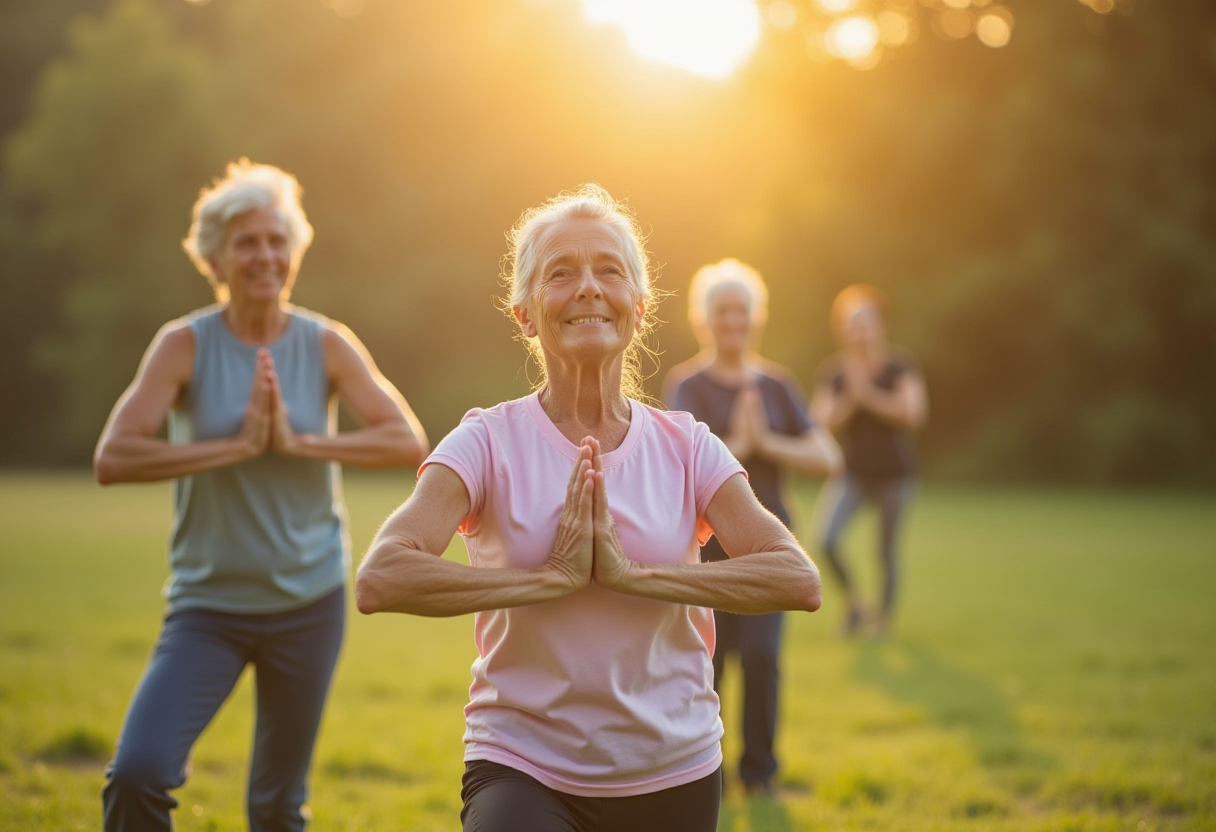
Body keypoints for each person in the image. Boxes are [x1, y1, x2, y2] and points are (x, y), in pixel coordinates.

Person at [355, 186, 821, 832]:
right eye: (561, 273)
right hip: (521, 763)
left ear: (638, 307)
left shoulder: (686, 446)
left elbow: (796, 578)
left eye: (608, 270)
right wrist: (546, 580)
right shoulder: (486, 440)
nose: (587, 288)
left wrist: (634, 576)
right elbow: (381, 577)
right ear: (524, 313)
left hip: (673, 766)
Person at [94, 159, 429, 832]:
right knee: (138, 773)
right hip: (207, 606)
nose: (265, 255)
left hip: (309, 601)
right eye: (247, 241)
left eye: (278, 240)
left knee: (277, 807)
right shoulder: (182, 346)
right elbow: (114, 457)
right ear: (216, 256)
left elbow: (407, 441)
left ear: (295, 251)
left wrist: (299, 443)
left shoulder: (327, 343)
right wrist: (235, 448)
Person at [662, 258, 840, 796]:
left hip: (767, 546)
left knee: (762, 657)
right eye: (722, 311)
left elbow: (826, 457)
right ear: (704, 320)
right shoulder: (687, 386)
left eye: (742, 310)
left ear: (756, 317)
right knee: (707, 663)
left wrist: (766, 443)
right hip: (706, 547)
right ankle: (701, 774)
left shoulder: (778, 385)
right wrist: (738, 445)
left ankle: (759, 774)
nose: (733, 321)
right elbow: (679, 463)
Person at [810, 284, 927, 638]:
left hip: (896, 475)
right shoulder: (835, 372)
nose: (859, 330)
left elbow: (914, 413)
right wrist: (852, 398)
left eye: (866, 322)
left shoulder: (900, 366)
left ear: (880, 325)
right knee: (826, 540)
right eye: (851, 323)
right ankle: (855, 604)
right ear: (841, 329)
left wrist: (869, 395)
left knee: (885, 551)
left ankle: (883, 622)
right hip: (853, 475)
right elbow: (820, 422)